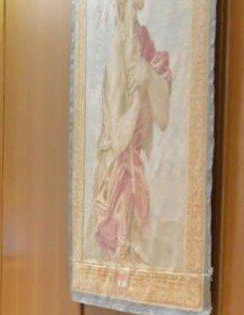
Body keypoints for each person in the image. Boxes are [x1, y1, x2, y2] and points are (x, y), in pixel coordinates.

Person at [91, 0, 171, 265]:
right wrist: (138, 95)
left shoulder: (141, 39)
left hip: (133, 172)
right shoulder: (116, 45)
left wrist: (148, 75)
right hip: (114, 176)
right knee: (116, 255)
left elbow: (163, 118)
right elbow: (118, 136)